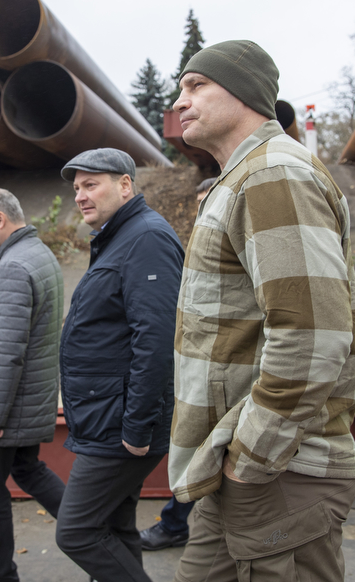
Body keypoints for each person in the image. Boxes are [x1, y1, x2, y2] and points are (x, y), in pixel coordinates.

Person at [169, 40, 355, 581]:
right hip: (239, 461)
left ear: (244, 92)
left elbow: (314, 335)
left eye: (195, 85)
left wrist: (251, 460)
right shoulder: (246, 177)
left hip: (278, 470)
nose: (180, 101)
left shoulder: (271, 174)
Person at [53, 148, 184, 582]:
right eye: (77, 188)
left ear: (125, 185)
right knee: (115, 523)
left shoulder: (145, 238)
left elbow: (157, 339)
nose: (81, 196)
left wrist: (136, 426)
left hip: (121, 424)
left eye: (92, 184)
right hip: (108, 414)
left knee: (76, 531)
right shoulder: (120, 237)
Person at [0, 187, 66, 582]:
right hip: (29, 399)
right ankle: (96, 529)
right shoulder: (40, 254)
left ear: (0, 219)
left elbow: (7, 351)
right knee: (28, 469)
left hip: (9, 406)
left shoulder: (13, 267)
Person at [138, 176, 216, 553]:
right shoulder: (197, 244)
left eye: (209, 200)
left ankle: (174, 523)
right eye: (199, 202)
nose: (202, 209)